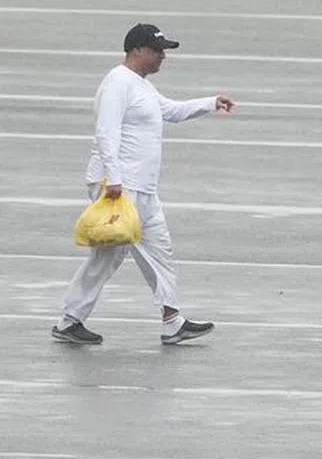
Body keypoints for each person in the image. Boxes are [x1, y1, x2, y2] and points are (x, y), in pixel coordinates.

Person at [52, 23, 234, 346]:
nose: (162, 56)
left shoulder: (142, 87)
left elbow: (172, 112)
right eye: (157, 50)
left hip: (143, 189)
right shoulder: (118, 83)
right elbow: (106, 132)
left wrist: (210, 102)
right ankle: (71, 320)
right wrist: (115, 179)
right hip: (120, 187)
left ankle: (171, 321)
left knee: (158, 251)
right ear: (136, 50)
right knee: (108, 256)